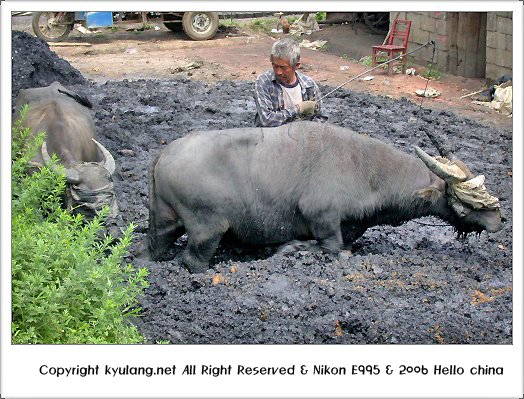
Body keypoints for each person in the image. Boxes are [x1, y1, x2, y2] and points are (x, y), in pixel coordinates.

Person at [254, 38, 328, 127]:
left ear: (296, 66)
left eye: (283, 67)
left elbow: (322, 119)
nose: (278, 72)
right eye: (275, 66)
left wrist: (305, 130)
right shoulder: (264, 82)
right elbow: (267, 120)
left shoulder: (309, 85)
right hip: (271, 138)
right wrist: (298, 109)